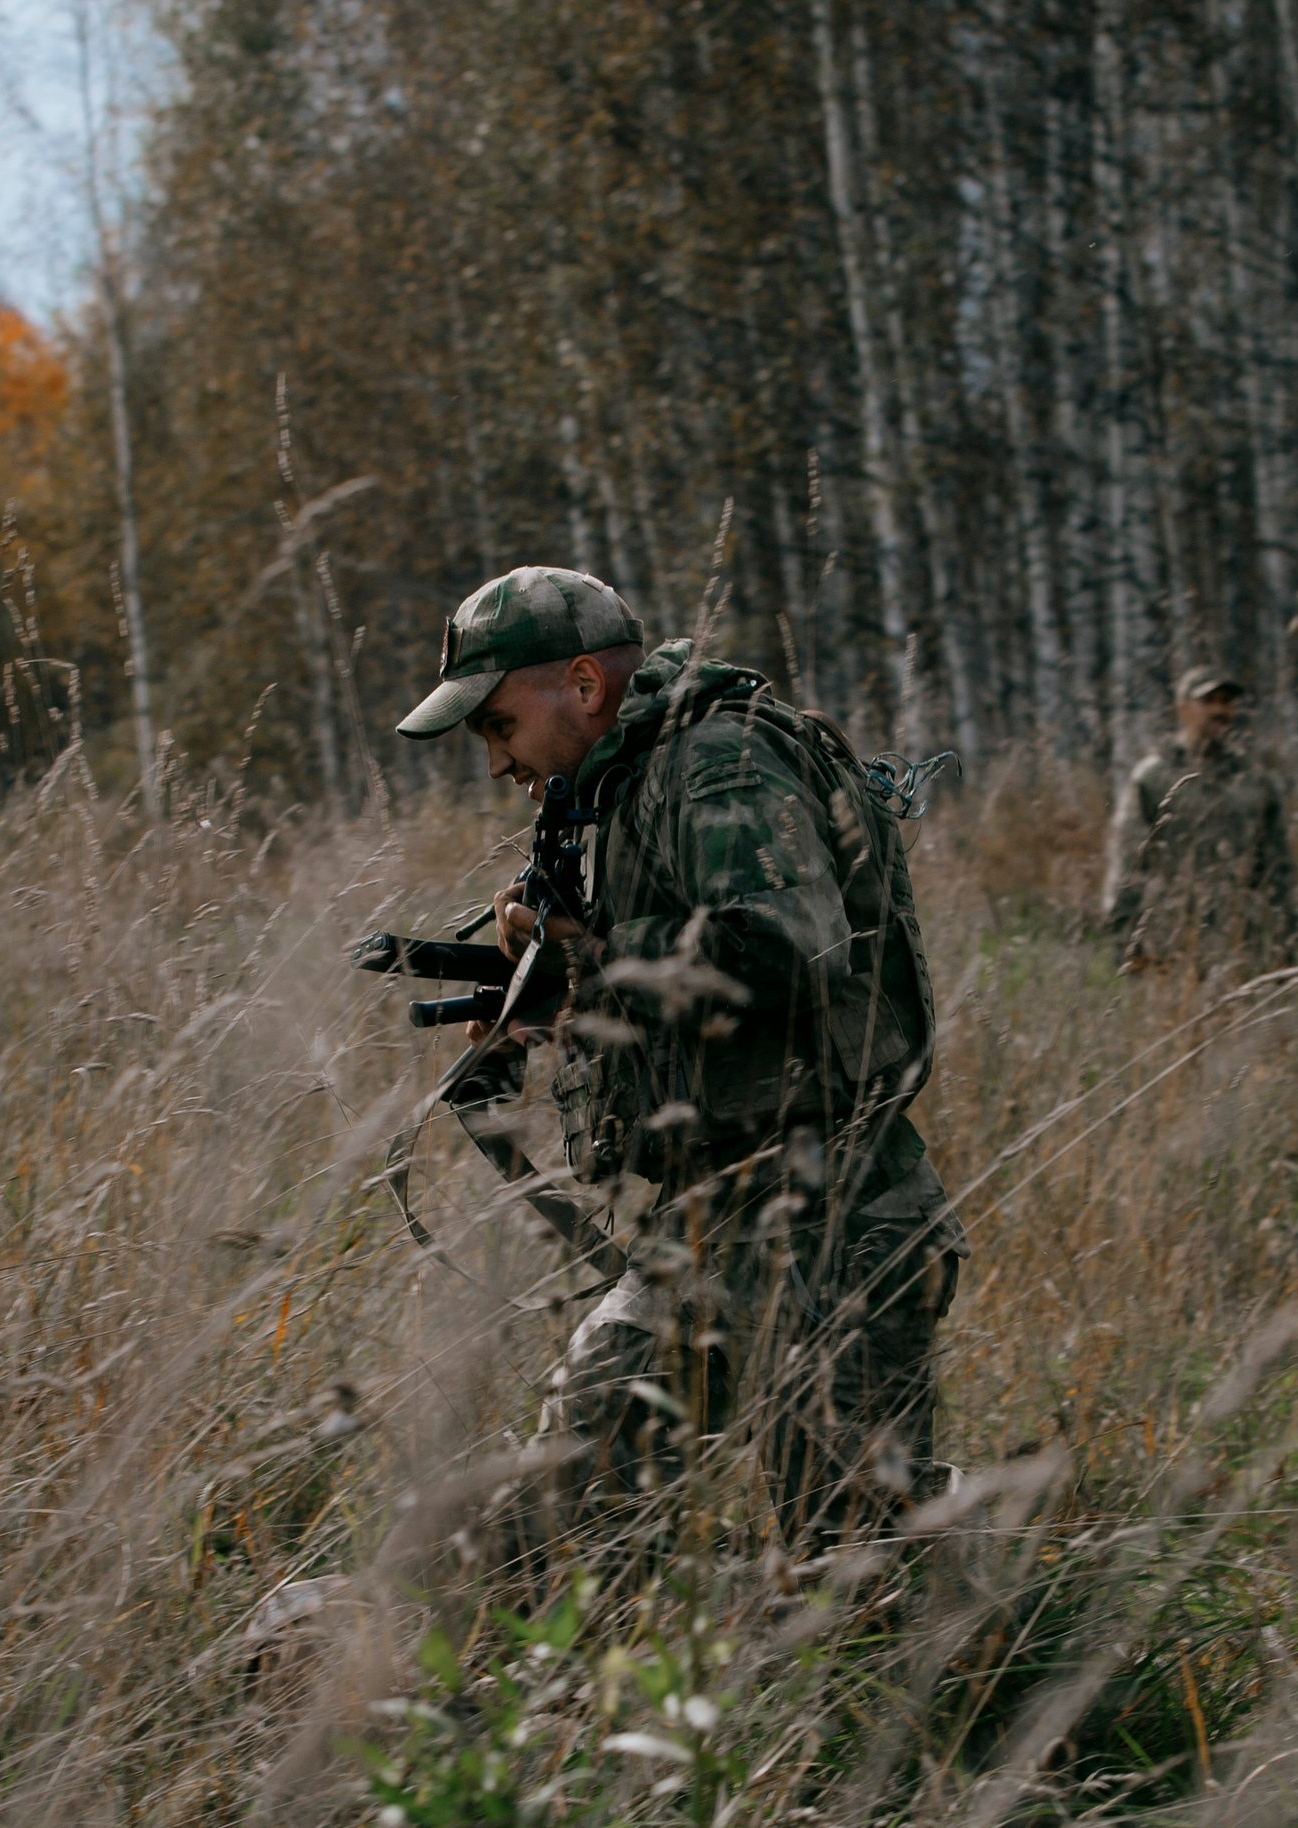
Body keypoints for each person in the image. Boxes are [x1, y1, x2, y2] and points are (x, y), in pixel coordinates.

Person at [396, 565, 964, 1550]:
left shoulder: (717, 761)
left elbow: (790, 946)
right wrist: (536, 993)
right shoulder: (622, 791)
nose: (495, 761)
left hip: (832, 1216)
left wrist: (590, 954)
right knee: (584, 1486)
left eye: (496, 724)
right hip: (712, 1219)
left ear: (581, 685)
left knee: (858, 1555)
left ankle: (1033, 1566)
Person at [1102, 665, 1298, 976]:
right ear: (1183, 709)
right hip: (1169, 945)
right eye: (1209, 701)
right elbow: (1128, 863)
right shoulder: (1153, 777)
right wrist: (1125, 941)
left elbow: (1279, 867)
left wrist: (1287, 941)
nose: (1220, 711)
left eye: (1227, 702)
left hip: (1244, 946)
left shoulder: (1255, 780)